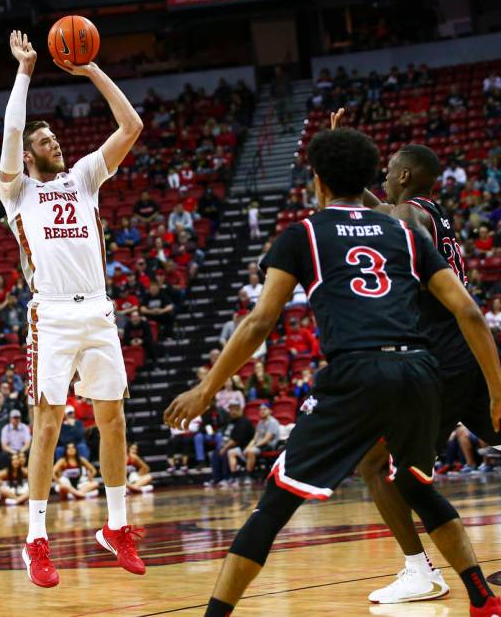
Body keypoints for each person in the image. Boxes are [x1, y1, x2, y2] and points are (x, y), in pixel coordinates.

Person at [165, 127, 501, 617]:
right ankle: (481, 597)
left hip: (362, 371)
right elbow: (471, 312)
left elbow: (260, 322)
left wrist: (206, 388)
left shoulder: (307, 232)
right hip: (423, 367)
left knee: (276, 503)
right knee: (409, 480)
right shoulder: (403, 233)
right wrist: (496, 388)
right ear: (367, 177)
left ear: (317, 181)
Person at [0, 30, 144, 586]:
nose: (54, 142)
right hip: (52, 315)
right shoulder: (16, 192)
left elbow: (131, 127)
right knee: (49, 424)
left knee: (112, 420)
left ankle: (116, 527)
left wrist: (92, 70)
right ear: (29, 154)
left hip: (99, 313)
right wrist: (26, 72)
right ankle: (36, 540)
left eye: (56, 136)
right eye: (46, 139)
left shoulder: (84, 177)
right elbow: (13, 130)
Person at [359, 140, 501, 603]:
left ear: (403, 177)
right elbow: (380, 207)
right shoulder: (429, 212)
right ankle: (421, 571)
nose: (382, 178)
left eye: (387, 171)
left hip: (441, 358)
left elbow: (388, 217)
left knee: (380, 465)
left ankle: (421, 572)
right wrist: (339, 162)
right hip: (466, 354)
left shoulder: (406, 216)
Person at [240, 404, 280, 485]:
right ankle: (251, 474)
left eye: (264, 409)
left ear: (270, 411)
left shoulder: (273, 422)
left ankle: (249, 476)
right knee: (245, 450)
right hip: (260, 445)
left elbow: (267, 439)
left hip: (269, 446)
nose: (262, 411)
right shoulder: (260, 422)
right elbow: (255, 438)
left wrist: (253, 447)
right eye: (260, 410)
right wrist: (248, 446)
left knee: (251, 451)